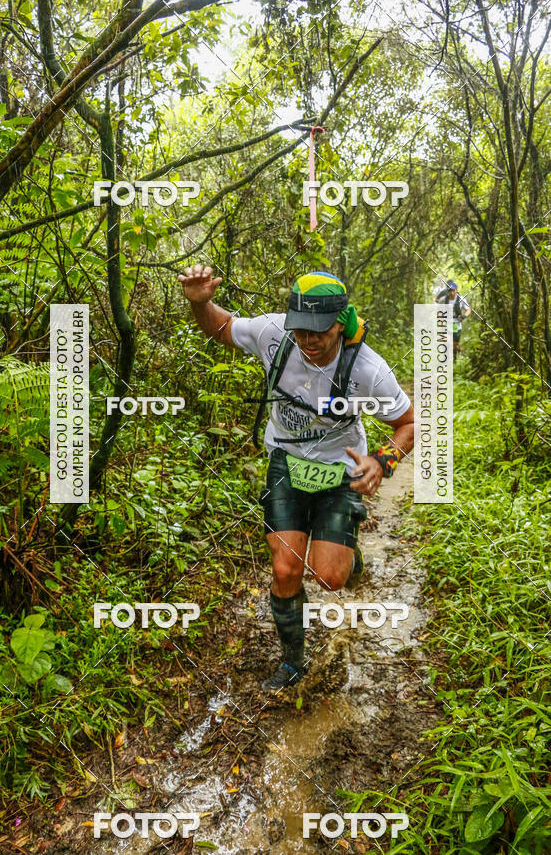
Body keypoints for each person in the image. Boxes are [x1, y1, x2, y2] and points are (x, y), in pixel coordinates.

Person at [177, 266, 414, 691]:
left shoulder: (368, 371)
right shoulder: (273, 334)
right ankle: (293, 662)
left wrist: (382, 460)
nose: (308, 341)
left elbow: (409, 423)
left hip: (339, 470)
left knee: (329, 577)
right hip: (285, 460)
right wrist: (200, 302)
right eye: (301, 330)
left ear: (340, 324)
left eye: (319, 332)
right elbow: (223, 328)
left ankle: (350, 558)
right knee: (286, 568)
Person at [435, 280, 471, 361]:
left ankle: (455, 357)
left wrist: (463, 316)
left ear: (456, 290)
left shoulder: (461, 299)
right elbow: (438, 311)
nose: (451, 292)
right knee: (447, 341)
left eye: (453, 290)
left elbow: (468, 310)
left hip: (456, 324)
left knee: (456, 344)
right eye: (450, 290)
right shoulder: (443, 300)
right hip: (446, 323)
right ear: (448, 291)